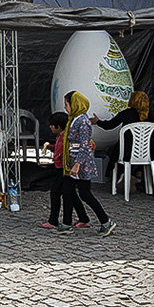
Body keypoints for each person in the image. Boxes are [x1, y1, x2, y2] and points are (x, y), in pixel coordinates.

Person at [59, 91, 116, 237]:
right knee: (67, 191)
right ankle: (66, 223)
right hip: (73, 161)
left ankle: (106, 221)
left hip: (81, 162)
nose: (65, 107)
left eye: (67, 104)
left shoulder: (83, 122)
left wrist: (77, 163)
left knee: (85, 193)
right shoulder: (73, 120)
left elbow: (84, 145)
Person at [39, 112, 89, 230]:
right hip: (61, 168)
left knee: (56, 192)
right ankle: (83, 218)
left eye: (52, 125)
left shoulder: (66, 138)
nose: (50, 127)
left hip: (63, 168)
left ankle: (54, 220)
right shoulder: (61, 136)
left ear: (58, 126)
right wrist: (50, 147)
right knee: (71, 194)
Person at [91, 90, 151, 188]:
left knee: (113, 151)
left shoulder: (127, 113)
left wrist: (97, 121)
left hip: (127, 153)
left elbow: (109, 125)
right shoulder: (150, 116)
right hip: (146, 153)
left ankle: (121, 175)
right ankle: (138, 172)